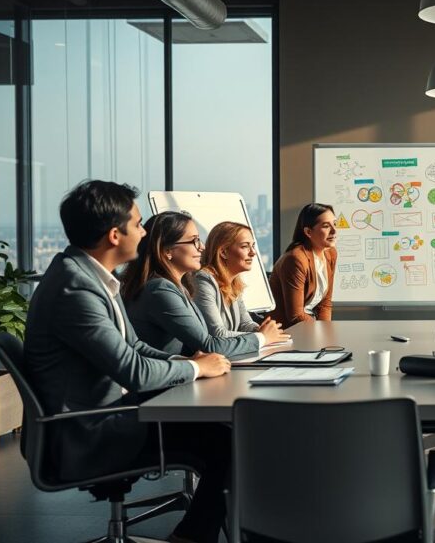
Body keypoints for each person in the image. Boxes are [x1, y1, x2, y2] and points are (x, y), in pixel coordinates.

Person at [24, 181, 232, 543]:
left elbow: (134, 345)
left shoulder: (95, 277)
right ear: (114, 235)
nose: (144, 232)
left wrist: (193, 361)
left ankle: (195, 533)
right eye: (138, 225)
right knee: (226, 444)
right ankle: (193, 537)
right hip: (84, 434)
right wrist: (197, 368)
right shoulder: (75, 289)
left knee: (221, 434)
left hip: (105, 416)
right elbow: (132, 371)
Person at [122, 212, 286, 358]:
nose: (202, 247)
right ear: (167, 251)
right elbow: (209, 345)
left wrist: (264, 333)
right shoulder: (160, 289)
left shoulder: (179, 286)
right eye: (194, 241)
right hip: (167, 386)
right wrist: (262, 337)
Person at [195, 221, 288, 341]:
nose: (253, 252)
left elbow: (245, 324)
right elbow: (217, 334)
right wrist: (262, 337)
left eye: (253, 246)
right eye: (245, 246)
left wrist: (261, 330)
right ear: (223, 252)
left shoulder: (234, 281)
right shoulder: (203, 281)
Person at [268, 203, 339, 326]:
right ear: (308, 232)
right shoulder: (296, 259)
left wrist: (326, 333)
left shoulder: (331, 253)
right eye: (326, 226)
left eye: (335, 224)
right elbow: (295, 315)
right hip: (285, 329)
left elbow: (325, 303)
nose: (334, 230)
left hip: (309, 324)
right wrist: (320, 332)